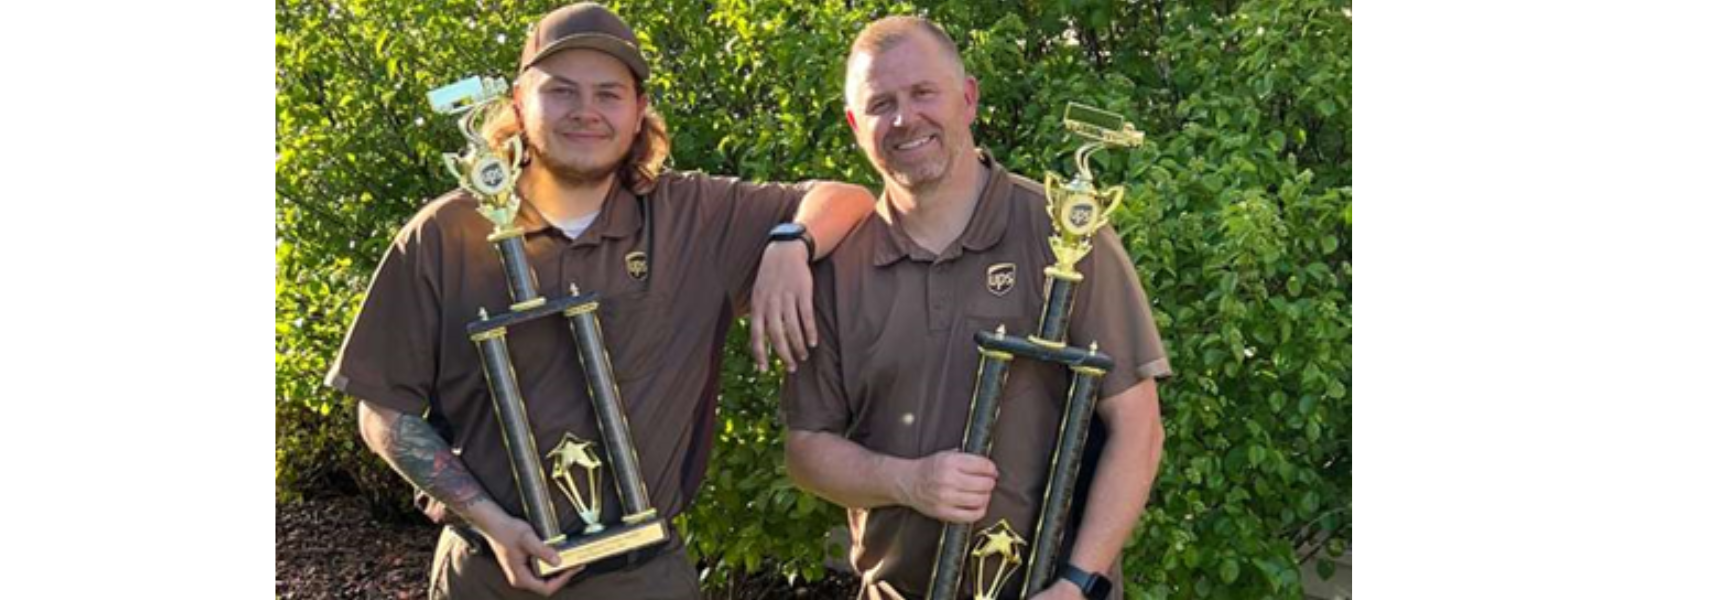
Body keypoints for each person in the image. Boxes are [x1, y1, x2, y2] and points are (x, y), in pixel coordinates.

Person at [325, 3, 874, 598]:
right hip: (485, 575)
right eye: (562, 92)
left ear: (639, 112)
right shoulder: (445, 233)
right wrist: (490, 520)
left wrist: (789, 244)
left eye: (609, 94)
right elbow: (382, 409)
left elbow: (846, 198)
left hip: (643, 579)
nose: (586, 112)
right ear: (517, 102)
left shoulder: (694, 218)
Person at [781, 16, 1171, 600]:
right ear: (854, 125)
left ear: (968, 99)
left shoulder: (1061, 232)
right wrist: (908, 482)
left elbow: (1138, 427)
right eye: (881, 103)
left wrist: (1077, 582)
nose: (904, 118)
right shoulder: (836, 267)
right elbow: (808, 450)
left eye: (923, 93)